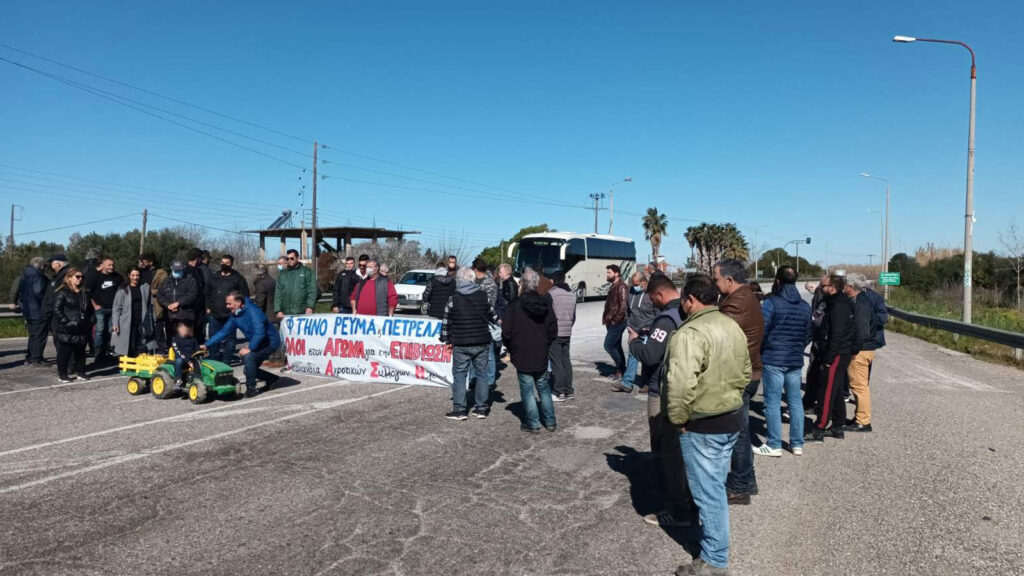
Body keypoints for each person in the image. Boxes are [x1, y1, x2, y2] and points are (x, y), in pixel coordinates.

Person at [662, 275, 750, 576]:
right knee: (714, 487)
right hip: (731, 417)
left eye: (684, 301)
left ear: (690, 301)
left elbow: (680, 383)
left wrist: (678, 420)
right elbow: (747, 369)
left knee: (708, 493)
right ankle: (714, 552)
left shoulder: (690, 333)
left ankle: (714, 561)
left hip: (703, 424)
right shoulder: (731, 325)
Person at [630, 273, 691, 528]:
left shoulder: (667, 319)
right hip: (686, 387)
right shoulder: (689, 313)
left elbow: (651, 353)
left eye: (652, 298)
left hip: (662, 389)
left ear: (658, 294)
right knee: (681, 449)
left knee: (667, 450)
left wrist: (634, 342)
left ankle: (676, 507)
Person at [714, 258, 764, 506]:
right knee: (742, 431)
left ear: (729, 280)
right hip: (751, 372)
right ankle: (747, 481)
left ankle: (739, 487)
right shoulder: (746, 297)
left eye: (717, 279)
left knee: (738, 434)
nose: (716, 283)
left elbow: (719, 337)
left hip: (741, 375)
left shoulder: (735, 304)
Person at [754, 266, 812, 458]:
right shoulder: (805, 306)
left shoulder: (772, 303)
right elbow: (808, 334)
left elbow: (763, 329)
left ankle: (774, 443)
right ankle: (797, 444)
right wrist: (797, 347)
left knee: (771, 401)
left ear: (777, 281)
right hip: (795, 359)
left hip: (773, 358)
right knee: (795, 402)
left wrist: (763, 349)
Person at [502, 268, 558, 433]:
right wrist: (546, 343)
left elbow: (506, 331)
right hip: (540, 352)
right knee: (543, 387)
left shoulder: (515, 305)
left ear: (522, 284)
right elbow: (553, 329)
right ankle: (550, 421)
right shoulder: (546, 302)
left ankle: (533, 423)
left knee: (527, 389)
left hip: (522, 352)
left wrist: (511, 348)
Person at [806, 275, 858, 443]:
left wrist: (828, 358)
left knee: (826, 391)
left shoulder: (839, 306)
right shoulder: (835, 302)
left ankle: (819, 427)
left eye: (824, 285)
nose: (821, 288)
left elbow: (836, 334)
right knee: (834, 390)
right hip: (837, 352)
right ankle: (837, 425)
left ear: (833, 287)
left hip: (836, 354)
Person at [440, 266, 496, 420]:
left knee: (459, 375)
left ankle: (459, 409)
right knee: (482, 375)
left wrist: (446, 341)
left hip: (461, 342)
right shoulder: (484, 296)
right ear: (472, 279)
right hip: (481, 341)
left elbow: (446, 323)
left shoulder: (453, 299)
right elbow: (493, 316)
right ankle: (481, 408)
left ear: (458, 280)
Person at [204, 291, 281, 397]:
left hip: (270, 342)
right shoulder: (235, 315)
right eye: (226, 304)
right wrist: (207, 344)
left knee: (249, 357)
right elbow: (224, 332)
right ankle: (272, 379)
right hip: (259, 342)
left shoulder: (253, 311)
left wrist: (250, 348)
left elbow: (260, 332)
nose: (227, 306)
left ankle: (251, 389)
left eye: (229, 303)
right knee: (248, 370)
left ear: (239, 302)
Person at [845, 273, 879, 433]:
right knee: (859, 385)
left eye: (845, 285)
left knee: (859, 387)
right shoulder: (862, 300)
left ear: (851, 287)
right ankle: (860, 416)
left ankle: (863, 421)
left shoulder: (860, 304)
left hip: (861, 350)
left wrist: (854, 350)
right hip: (865, 348)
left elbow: (861, 330)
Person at [614, 271, 655, 393]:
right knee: (632, 356)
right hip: (633, 330)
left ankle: (647, 383)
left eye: (637, 284)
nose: (634, 286)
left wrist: (651, 328)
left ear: (644, 283)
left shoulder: (651, 295)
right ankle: (627, 383)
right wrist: (628, 325)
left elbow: (658, 313)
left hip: (648, 331)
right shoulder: (631, 292)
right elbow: (627, 311)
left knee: (647, 359)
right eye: (633, 283)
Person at [205, 254, 251, 363]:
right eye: (222, 262)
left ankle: (227, 360)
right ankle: (213, 360)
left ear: (231, 264)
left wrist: (240, 310)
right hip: (214, 314)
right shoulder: (214, 276)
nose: (224, 265)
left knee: (230, 339)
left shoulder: (238, 278)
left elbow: (245, 296)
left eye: (227, 263)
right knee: (214, 338)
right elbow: (206, 292)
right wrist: (208, 307)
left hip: (230, 315)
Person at [53, 267, 94, 383]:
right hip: (67, 328)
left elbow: (90, 309)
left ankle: (81, 372)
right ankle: (62, 374)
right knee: (64, 353)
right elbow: (56, 309)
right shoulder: (63, 292)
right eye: (77, 277)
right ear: (69, 278)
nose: (80, 279)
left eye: (82, 277)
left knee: (81, 352)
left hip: (82, 327)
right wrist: (66, 322)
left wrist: (91, 321)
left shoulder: (84, 293)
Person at [111, 267, 155, 358]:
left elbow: (150, 305)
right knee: (130, 343)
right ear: (129, 275)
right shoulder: (122, 289)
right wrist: (115, 323)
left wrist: (152, 318)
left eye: (137, 275)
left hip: (142, 319)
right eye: (133, 275)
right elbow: (117, 308)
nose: (135, 278)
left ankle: (139, 362)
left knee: (142, 343)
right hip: (127, 321)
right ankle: (129, 363)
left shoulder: (145, 287)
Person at [85, 256, 123, 360]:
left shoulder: (117, 277)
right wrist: (95, 306)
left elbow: (123, 289)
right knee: (100, 330)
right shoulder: (95, 277)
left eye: (113, 265)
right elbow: (88, 292)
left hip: (113, 308)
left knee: (110, 330)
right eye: (109, 265)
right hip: (100, 309)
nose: (112, 267)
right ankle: (98, 353)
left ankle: (107, 351)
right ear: (102, 266)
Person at [547, 271, 577, 402]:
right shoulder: (572, 295)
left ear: (553, 281)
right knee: (566, 361)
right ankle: (569, 390)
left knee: (556, 362)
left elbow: (548, 315)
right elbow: (574, 316)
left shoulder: (551, 294)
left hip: (555, 332)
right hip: (567, 332)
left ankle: (558, 391)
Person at [156, 260, 199, 345]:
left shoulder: (190, 280)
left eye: (179, 270)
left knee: (185, 341)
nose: (177, 272)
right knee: (170, 340)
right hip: (170, 316)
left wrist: (178, 303)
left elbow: (192, 295)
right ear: (171, 269)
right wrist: (168, 305)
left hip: (185, 316)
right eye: (175, 270)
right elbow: (160, 295)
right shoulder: (166, 281)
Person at [16, 257, 49, 366]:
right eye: (44, 266)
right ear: (41, 266)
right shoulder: (38, 277)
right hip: (38, 310)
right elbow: (38, 292)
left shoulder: (25, 276)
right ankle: (37, 358)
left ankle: (30, 357)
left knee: (33, 335)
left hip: (28, 309)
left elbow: (20, 292)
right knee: (40, 335)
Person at [602, 264, 629, 380]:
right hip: (612, 321)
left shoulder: (622, 286)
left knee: (608, 345)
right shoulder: (614, 286)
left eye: (609, 273)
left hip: (618, 322)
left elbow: (623, 306)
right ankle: (621, 371)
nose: (607, 275)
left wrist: (615, 321)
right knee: (617, 347)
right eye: (607, 272)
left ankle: (621, 368)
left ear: (617, 274)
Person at [274, 249, 317, 320]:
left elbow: (312, 290)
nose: (289, 260)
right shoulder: (282, 274)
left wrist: (310, 307)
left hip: (302, 313)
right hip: (286, 314)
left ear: (297, 258)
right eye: (287, 259)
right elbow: (278, 293)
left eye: (292, 258)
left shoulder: (307, 271)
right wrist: (278, 310)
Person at [43, 253, 71, 351]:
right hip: (58, 313)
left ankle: (68, 364)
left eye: (52, 263)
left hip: (60, 313)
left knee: (62, 341)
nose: (51, 265)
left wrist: (48, 311)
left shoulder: (66, 275)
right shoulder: (60, 275)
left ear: (57, 264)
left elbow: (55, 296)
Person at [186, 248, 210, 344]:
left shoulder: (199, 271)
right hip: (189, 308)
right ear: (198, 259)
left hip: (200, 307)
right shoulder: (185, 271)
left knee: (199, 331)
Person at [171, 322, 200, 391]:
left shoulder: (193, 339)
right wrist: (189, 362)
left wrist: (201, 354)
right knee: (178, 361)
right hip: (182, 359)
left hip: (191, 358)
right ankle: (178, 381)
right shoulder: (175, 340)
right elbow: (179, 353)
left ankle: (198, 379)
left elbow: (197, 350)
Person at [150, 263, 169, 354]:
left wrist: (151, 292)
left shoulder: (162, 273)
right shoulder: (141, 272)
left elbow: (165, 288)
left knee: (159, 326)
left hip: (157, 304)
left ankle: (162, 348)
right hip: (146, 304)